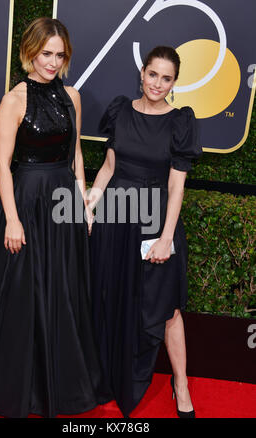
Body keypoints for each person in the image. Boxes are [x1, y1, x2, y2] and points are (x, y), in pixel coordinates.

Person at [0, 17, 109, 418]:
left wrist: (84, 202)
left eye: (60, 55)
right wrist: (12, 220)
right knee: (25, 291)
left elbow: (75, 154)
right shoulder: (13, 101)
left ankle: (62, 378)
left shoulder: (72, 96)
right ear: (29, 52)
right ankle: (21, 382)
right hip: (27, 199)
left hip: (62, 200)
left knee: (64, 290)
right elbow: (2, 165)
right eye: (46, 54)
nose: (52, 62)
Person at [87, 46, 202, 418]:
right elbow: (107, 168)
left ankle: (180, 383)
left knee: (165, 309)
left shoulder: (180, 122)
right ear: (142, 73)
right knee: (109, 296)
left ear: (174, 82)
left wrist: (167, 237)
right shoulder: (120, 111)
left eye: (166, 78)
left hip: (155, 223)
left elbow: (176, 187)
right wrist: (89, 204)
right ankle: (104, 375)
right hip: (114, 219)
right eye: (153, 74)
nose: (157, 83)